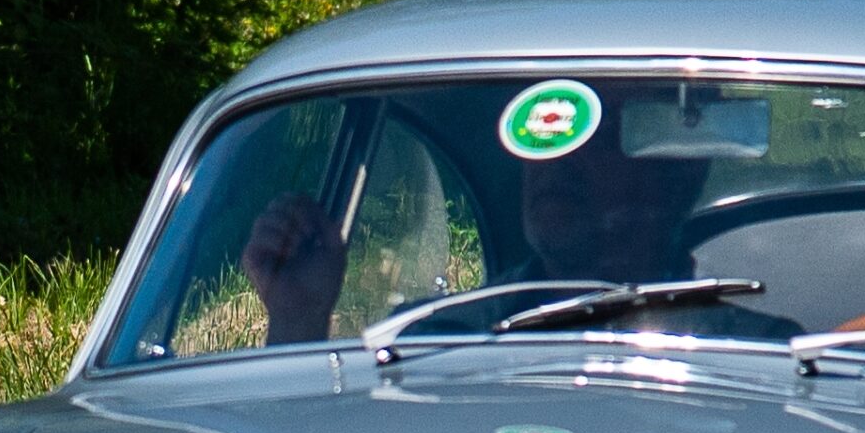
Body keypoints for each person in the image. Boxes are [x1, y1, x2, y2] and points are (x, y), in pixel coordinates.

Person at [237, 93, 798, 347]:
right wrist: (298, 318)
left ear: (679, 172)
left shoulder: (765, 357)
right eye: (547, 137)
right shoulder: (429, 339)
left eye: (598, 138)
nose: (557, 162)